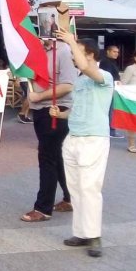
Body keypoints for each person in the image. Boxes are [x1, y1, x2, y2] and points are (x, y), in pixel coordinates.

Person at [53, 30, 113, 258]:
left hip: (94, 139)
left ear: (90, 54)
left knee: (90, 188)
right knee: (76, 188)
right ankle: (81, 232)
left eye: (76, 51)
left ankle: (94, 235)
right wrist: (61, 114)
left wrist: (69, 41)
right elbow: (77, 109)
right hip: (74, 138)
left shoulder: (104, 77)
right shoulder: (79, 81)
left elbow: (88, 68)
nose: (71, 56)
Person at [20, 38, 77, 222]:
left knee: (47, 157)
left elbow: (68, 84)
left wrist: (38, 96)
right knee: (55, 156)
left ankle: (43, 208)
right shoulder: (38, 50)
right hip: (40, 109)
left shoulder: (63, 50)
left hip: (55, 108)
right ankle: (70, 198)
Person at [99, 45, 123, 138]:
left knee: (111, 110)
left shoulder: (112, 62)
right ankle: (111, 130)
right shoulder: (106, 62)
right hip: (110, 89)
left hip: (114, 88)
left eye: (117, 52)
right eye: (114, 51)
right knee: (110, 110)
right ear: (108, 52)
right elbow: (108, 77)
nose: (116, 54)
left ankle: (110, 130)